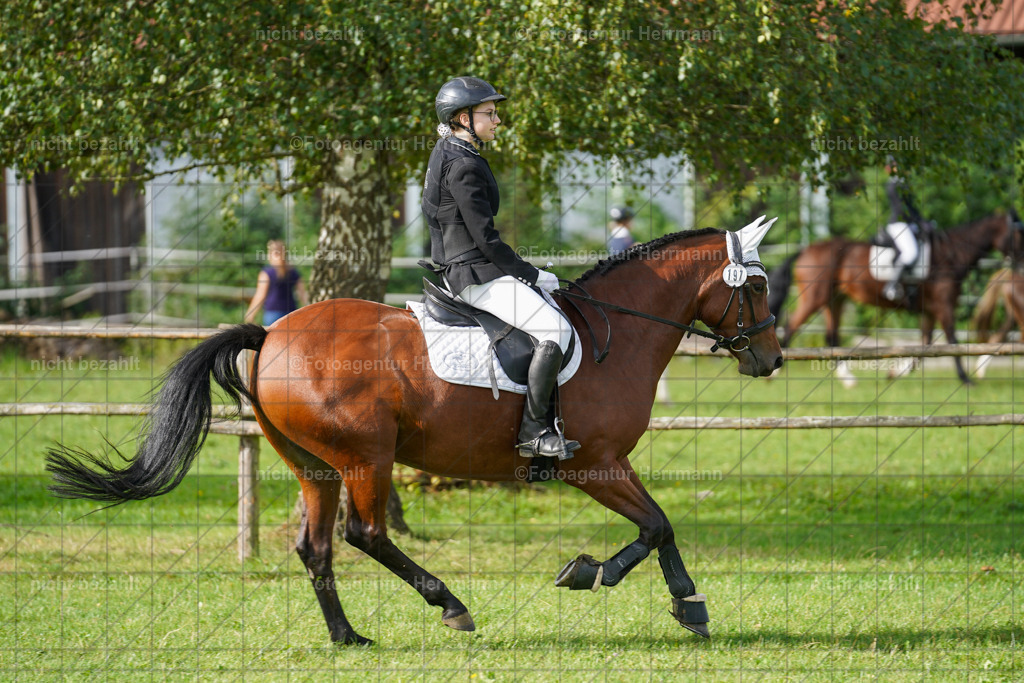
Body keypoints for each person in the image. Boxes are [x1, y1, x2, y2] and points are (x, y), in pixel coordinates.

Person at [421, 76, 578, 460]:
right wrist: (531, 273)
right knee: (555, 329)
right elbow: (486, 240)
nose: (497, 121)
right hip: (473, 274)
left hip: (465, 267)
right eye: (489, 114)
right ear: (463, 118)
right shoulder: (464, 165)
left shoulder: (448, 150)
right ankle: (534, 432)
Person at [881, 158, 925, 301]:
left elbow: (912, 207)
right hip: (899, 224)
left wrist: (923, 221)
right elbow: (902, 209)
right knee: (910, 253)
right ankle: (891, 286)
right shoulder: (894, 185)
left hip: (908, 223)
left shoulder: (903, 183)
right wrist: (919, 221)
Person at [244, 239, 309, 325]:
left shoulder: (267, 272)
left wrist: (250, 314)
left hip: (272, 314)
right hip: (291, 313)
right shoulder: (293, 272)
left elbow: (260, 295)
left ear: (272, 254)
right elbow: (303, 295)